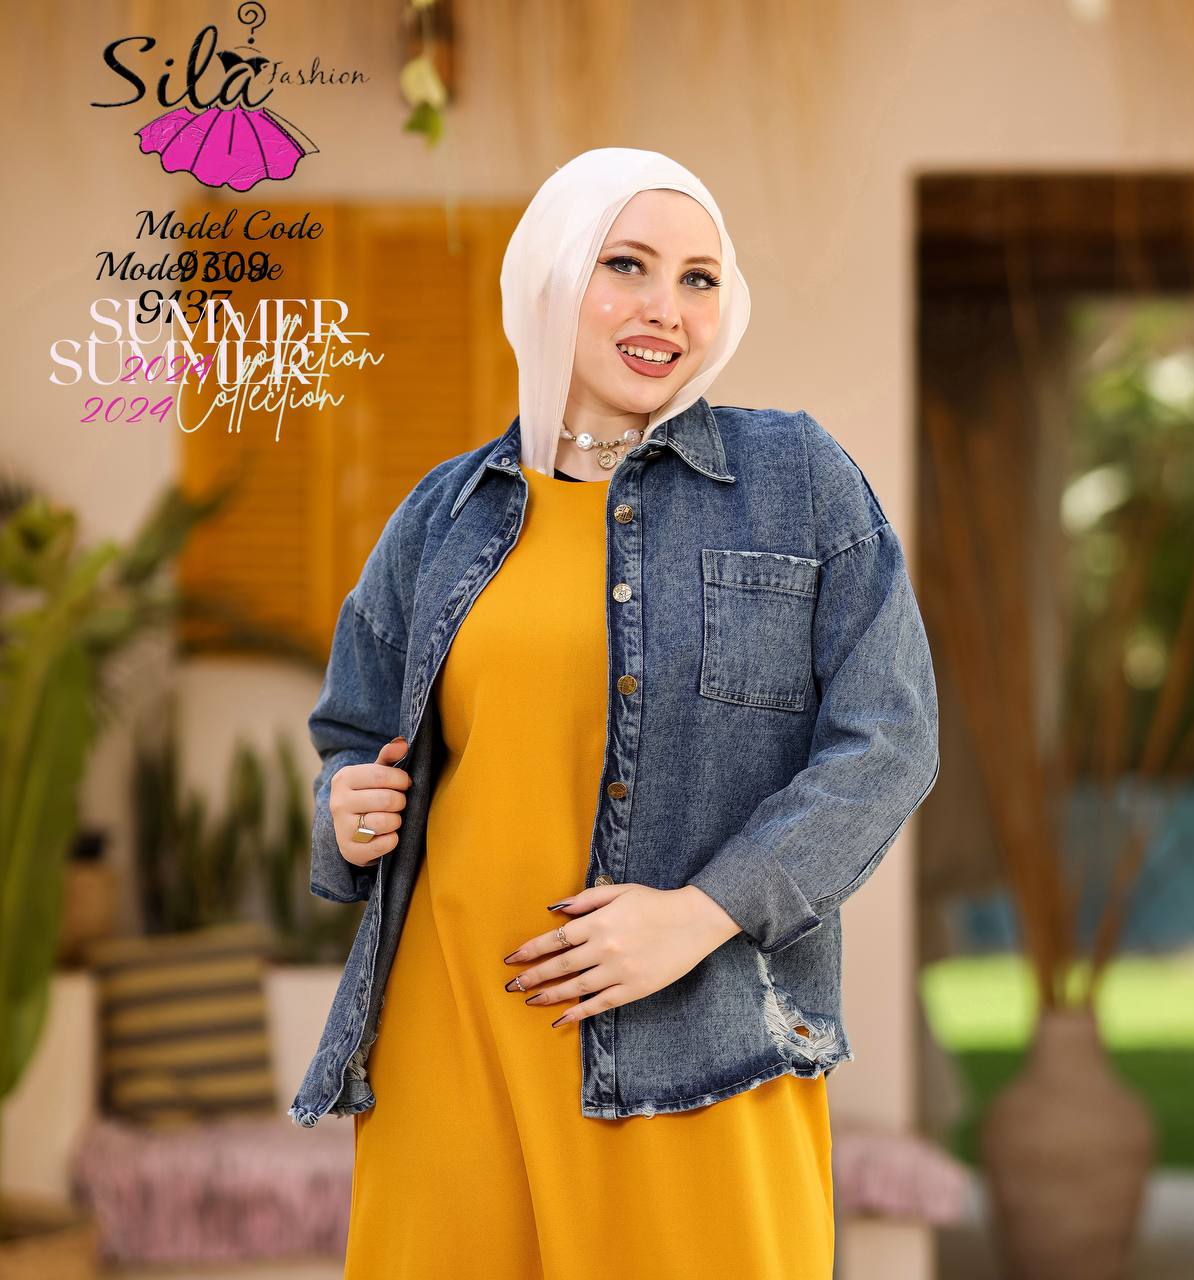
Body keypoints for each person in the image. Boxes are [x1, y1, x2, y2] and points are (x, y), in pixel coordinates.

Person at [288, 147, 940, 1279]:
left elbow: (889, 739)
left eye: (698, 278)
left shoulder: (794, 477)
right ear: (548, 276)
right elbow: (354, 731)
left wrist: (701, 914)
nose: (665, 309)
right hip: (450, 1032)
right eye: (626, 265)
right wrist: (344, 807)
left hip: (695, 1036)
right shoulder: (441, 513)